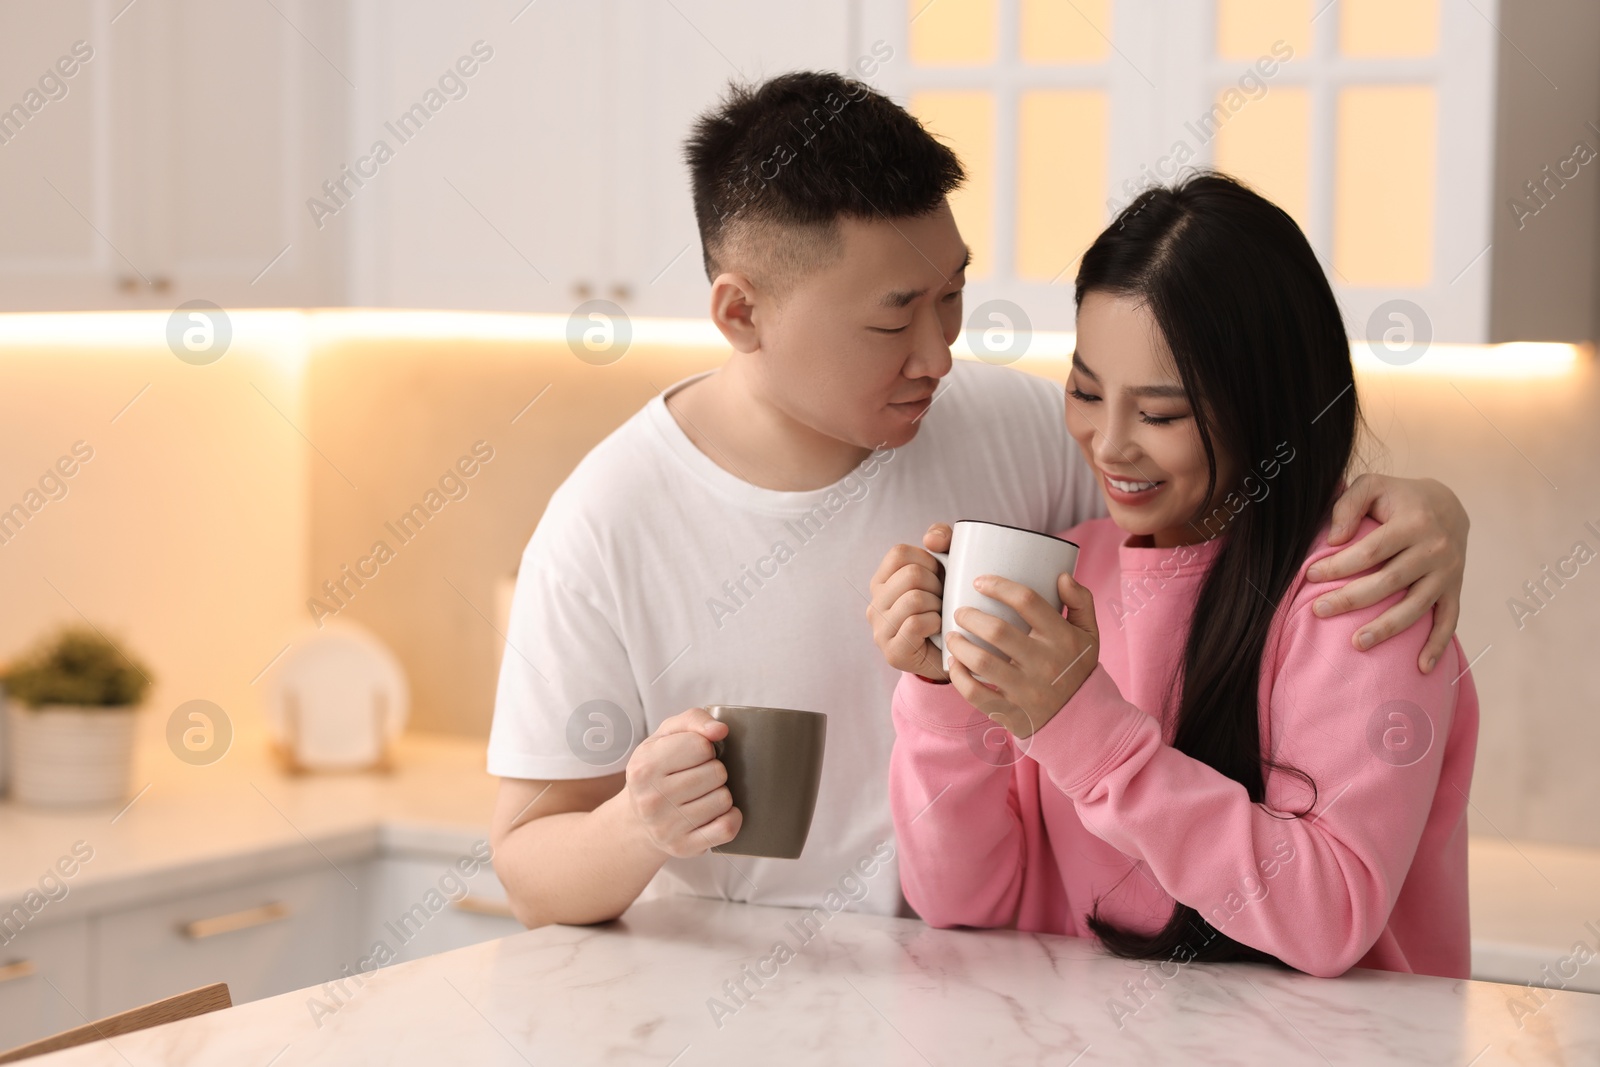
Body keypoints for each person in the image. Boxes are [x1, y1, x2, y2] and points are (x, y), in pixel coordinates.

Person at [488, 73, 1471, 929]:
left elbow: (1216, 490)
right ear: (741, 311)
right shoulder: (604, 524)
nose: (939, 352)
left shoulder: (1007, 424)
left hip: (985, 986)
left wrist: (1418, 505)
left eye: (950, 294)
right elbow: (529, 868)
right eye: (893, 318)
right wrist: (636, 823)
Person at [873, 173, 1478, 979]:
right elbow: (962, 902)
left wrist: (1083, 727)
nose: (1110, 443)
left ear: (1265, 404)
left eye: (1160, 413)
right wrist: (940, 691)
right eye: (1086, 391)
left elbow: (1329, 914)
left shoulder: (1366, 583)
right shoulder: (1076, 567)